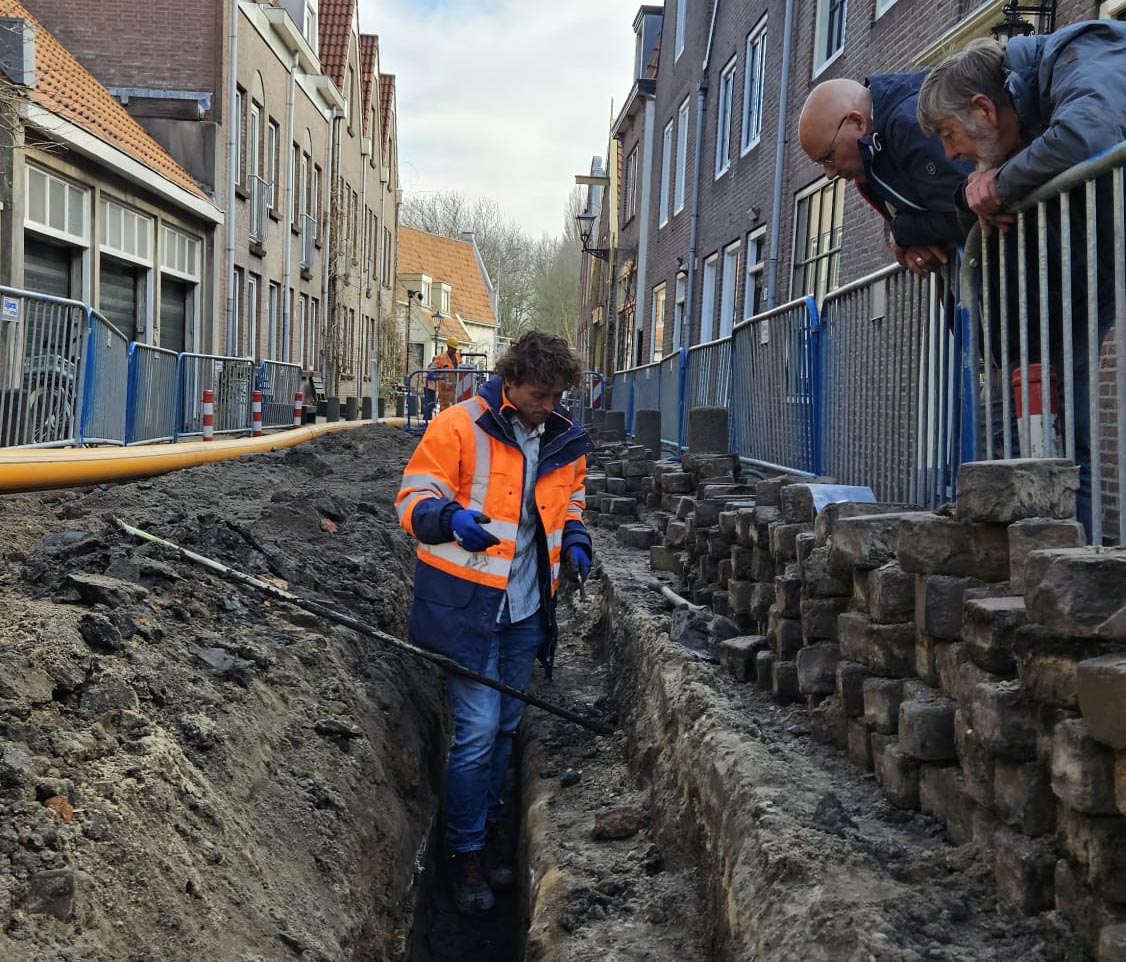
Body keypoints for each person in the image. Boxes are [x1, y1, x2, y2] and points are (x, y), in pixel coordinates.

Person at [395, 331, 593, 917]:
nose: (547, 404)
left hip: (528, 608)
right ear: (510, 381)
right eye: (538, 393)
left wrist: (576, 536)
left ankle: (490, 831)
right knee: (478, 732)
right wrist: (448, 518)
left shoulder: (562, 437)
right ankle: (465, 855)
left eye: (556, 395)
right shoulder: (458, 426)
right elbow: (412, 498)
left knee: (506, 729)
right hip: (469, 611)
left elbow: (572, 497)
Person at [917, 23, 1126, 540]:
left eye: (949, 134)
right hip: (1090, 278)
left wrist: (1001, 184)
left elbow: (1091, 134)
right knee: (1070, 435)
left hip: (1097, 272)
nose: (949, 154)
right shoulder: (1023, 113)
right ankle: (1073, 574)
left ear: (986, 110)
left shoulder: (1082, 52)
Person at [798, 75, 972, 277]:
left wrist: (901, 233)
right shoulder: (870, 160)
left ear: (857, 122)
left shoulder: (909, 125)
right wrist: (906, 243)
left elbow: (969, 209)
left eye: (828, 157)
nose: (829, 174)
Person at [424, 336, 462, 420]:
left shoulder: (458, 357)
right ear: (448, 347)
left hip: (456, 388)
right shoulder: (441, 358)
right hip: (445, 389)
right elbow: (430, 372)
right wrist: (440, 377)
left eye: (456, 349)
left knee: (457, 409)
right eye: (453, 348)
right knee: (444, 410)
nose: (455, 350)